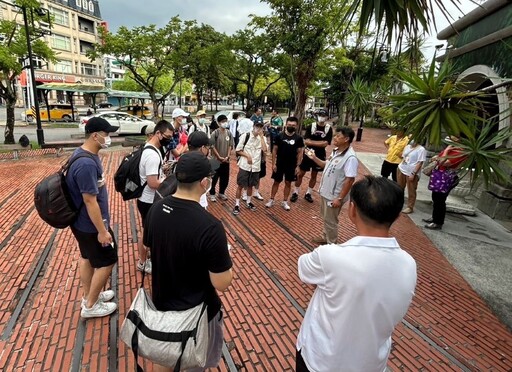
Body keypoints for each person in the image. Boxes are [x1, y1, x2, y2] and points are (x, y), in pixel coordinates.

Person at [296, 175, 417, 372]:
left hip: (320, 361)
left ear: (352, 210)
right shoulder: (409, 264)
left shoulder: (330, 256)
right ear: (397, 216)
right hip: (372, 364)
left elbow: (304, 268)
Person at [143, 152, 233, 372]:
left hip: (163, 304)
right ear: (204, 183)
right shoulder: (210, 227)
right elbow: (222, 283)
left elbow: (150, 247)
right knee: (192, 363)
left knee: (164, 356)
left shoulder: (156, 209)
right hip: (196, 314)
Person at [65, 117, 119, 319]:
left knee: (87, 258)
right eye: (107, 135)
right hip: (91, 225)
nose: (109, 138)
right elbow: (90, 201)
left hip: (82, 223)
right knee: (108, 261)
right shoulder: (87, 164)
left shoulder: (84, 154)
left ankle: (90, 295)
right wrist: (102, 231)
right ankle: (90, 306)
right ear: (95, 136)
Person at [306, 126, 359, 244]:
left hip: (334, 196)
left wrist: (339, 198)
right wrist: (313, 157)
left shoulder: (350, 158)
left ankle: (331, 244)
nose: (334, 138)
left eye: (337, 136)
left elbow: (350, 180)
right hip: (327, 192)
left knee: (331, 221)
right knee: (326, 218)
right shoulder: (336, 151)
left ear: (346, 139)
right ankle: (325, 237)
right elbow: (326, 165)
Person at [136, 120, 175, 275]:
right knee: (147, 233)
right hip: (148, 200)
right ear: (158, 134)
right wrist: (168, 182)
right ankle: (142, 262)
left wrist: (162, 169)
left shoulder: (152, 149)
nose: (169, 139)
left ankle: (148, 258)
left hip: (149, 199)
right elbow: (152, 183)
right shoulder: (152, 154)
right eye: (167, 136)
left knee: (150, 231)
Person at [423, 136, 466, 230]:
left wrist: (446, 151)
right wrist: (440, 156)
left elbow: (444, 162)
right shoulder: (451, 149)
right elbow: (437, 158)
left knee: (440, 200)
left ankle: (438, 222)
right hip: (439, 176)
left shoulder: (460, 152)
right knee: (435, 197)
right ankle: (435, 217)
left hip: (446, 178)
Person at [291, 109, 332, 203]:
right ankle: (295, 192)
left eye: (324, 115)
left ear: (326, 117)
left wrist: (312, 142)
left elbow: (325, 144)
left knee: (314, 174)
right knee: (301, 173)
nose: (322, 117)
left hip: (320, 154)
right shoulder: (311, 126)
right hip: (308, 152)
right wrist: (319, 143)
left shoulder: (328, 128)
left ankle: (308, 193)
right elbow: (306, 141)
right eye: (320, 115)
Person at [265, 117, 304, 211]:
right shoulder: (279, 136)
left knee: (288, 182)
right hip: (280, 163)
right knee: (276, 182)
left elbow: (300, 152)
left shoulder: (298, 138)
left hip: (291, 165)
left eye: (293, 125)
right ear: (286, 125)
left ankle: (285, 201)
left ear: (296, 126)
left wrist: (298, 166)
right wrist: (273, 164)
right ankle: (271, 199)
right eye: (289, 125)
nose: (291, 126)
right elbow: (274, 150)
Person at [233, 121, 267, 215]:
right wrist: (247, 156)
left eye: (260, 127)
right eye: (257, 126)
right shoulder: (245, 136)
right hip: (245, 165)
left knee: (251, 185)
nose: (258, 129)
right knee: (240, 185)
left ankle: (248, 202)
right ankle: (237, 204)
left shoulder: (262, 138)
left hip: (256, 167)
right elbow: (238, 150)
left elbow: (265, 150)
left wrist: (261, 137)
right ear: (253, 126)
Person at [397, 140, 427, 214]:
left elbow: (420, 162)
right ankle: (398, 203)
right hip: (402, 169)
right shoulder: (407, 147)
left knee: (411, 190)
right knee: (399, 188)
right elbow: (404, 157)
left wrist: (413, 173)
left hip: (412, 172)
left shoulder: (421, 149)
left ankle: (410, 207)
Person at [209, 114, 234, 202]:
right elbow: (212, 146)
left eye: (226, 121)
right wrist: (218, 156)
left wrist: (227, 156)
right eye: (223, 121)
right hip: (216, 160)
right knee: (214, 178)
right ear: (219, 123)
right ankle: (212, 193)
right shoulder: (215, 133)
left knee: (225, 178)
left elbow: (231, 145)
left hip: (226, 160)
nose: (225, 123)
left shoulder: (229, 133)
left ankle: (221, 193)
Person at [187, 131, 213, 209]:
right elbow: (207, 187)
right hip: (199, 204)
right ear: (202, 148)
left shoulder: (182, 160)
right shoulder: (204, 164)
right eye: (207, 147)